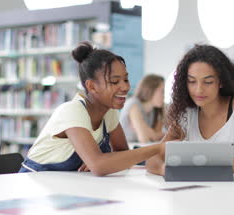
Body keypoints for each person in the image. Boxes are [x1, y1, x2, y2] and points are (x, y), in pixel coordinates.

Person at [19, 41, 164, 176]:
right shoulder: (72, 111)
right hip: (33, 184)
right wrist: (157, 148)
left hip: (65, 184)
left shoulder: (110, 111)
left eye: (125, 79)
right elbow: (99, 166)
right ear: (91, 86)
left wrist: (102, 161)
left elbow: (122, 154)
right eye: (115, 81)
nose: (125, 87)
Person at [146, 44, 234, 176]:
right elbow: (153, 159)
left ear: (221, 82)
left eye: (208, 82)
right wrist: (164, 169)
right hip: (202, 193)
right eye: (192, 81)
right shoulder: (187, 113)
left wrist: (192, 166)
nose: (199, 90)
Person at [120, 74, 165, 143]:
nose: (163, 96)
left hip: (137, 148)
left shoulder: (154, 111)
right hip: (124, 149)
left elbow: (155, 137)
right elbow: (143, 138)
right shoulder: (133, 104)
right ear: (150, 90)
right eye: (162, 91)